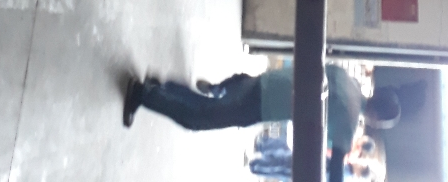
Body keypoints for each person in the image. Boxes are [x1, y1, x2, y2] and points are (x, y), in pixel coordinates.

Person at [122, 65, 400, 182]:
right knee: (198, 119)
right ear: (377, 119)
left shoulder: (348, 80)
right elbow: (336, 171)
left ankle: (158, 91)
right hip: (266, 105)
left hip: (269, 81)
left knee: (208, 107)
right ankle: (142, 94)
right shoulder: (349, 120)